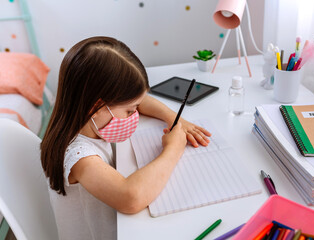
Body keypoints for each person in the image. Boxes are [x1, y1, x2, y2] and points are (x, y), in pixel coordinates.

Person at [40, 36, 211, 240]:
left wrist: (174, 118)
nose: (135, 114)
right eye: (130, 111)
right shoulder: (78, 156)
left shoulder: (81, 115)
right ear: (96, 107)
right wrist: (173, 148)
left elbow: (141, 99)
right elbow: (130, 198)